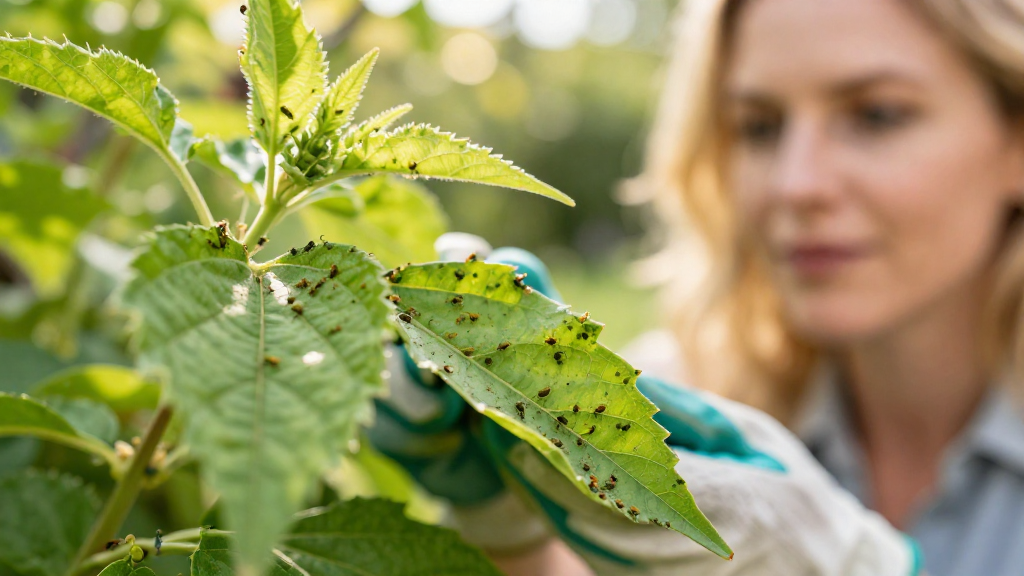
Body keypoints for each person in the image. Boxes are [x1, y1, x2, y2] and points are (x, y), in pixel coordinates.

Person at [371, 0, 1024, 574]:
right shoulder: (684, 399)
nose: (795, 184)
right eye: (759, 126)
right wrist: (510, 532)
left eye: (878, 116)